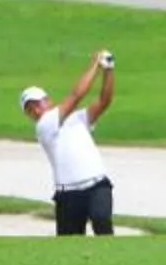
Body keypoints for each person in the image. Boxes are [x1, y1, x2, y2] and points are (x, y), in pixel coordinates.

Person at [20, 49, 116, 235]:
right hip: (68, 194)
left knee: (101, 220)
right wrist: (96, 65)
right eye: (30, 109)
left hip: (97, 185)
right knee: (69, 243)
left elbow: (104, 101)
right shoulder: (44, 127)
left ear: (48, 101)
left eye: (38, 103)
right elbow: (76, 96)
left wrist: (109, 70)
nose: (36, 110)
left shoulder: (78, 118)